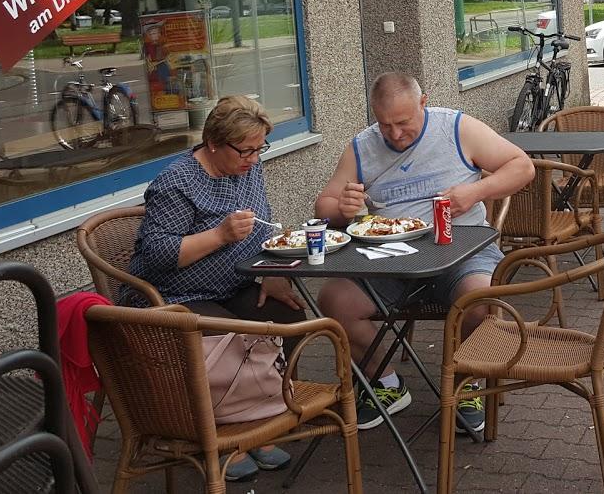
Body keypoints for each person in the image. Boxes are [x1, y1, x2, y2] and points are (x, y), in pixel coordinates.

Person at [314, 72, 535, 435]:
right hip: (391, 256)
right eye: (385, 125)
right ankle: (386, 384)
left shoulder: (457, 128)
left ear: (423, 102)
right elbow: (324, 204)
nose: (395, 134)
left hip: (462, 247)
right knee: (335, 300)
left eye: (403, 123)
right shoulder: (362, 146)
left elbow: (521, 166)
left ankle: (466, 385)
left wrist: (475, 193)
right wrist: (341, 206)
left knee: (479, 298)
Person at [128, 94, 307, 482]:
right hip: (175, 296)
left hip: (233, 283)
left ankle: (264, 416)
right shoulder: (177, 181)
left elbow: (263, 228)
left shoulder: (247, 169)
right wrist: (220, 235)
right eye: (246, 150)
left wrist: (274, 272)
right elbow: (157, 255)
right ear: (213, 143)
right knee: (233, 334)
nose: (254, 159)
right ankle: (225, 436)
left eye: (261, 149)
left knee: (286, 316)